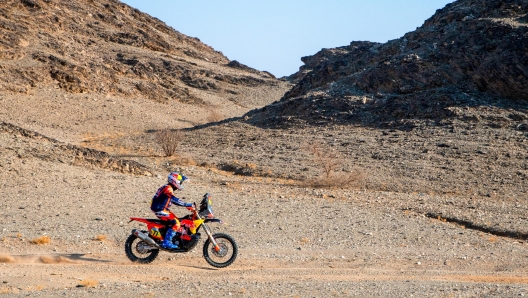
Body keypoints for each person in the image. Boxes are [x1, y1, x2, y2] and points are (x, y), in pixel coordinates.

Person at [151, 172, 194, 249]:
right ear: (175, 180)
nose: (181, 183)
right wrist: (186, 204)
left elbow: (173, 200)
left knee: (178, 221)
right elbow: (174, 199)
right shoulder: (168, 188)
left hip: (162, 209)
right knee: (176, 223)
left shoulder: (167, 187)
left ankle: (166, 236)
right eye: (180, 181)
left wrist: (186, 205)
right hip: (160, 209)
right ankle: (166, 242)